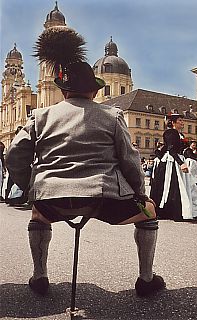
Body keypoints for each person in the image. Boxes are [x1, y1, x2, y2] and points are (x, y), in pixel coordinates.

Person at [5, 26, 165, 297]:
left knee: (38, 215)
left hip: (52, 199)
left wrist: (32, 187)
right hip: (103, 198)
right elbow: (130, 161)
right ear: (93, 91)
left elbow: (14, 155)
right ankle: (146, 279)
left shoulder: (40, 116)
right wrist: (140, 194)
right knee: (149, 212)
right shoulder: (112, 115)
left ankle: (39, 275)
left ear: (64, 91)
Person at [150, 113, 197, 221]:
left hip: (176, 160)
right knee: (173, 187)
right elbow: (171, 150)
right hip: (172, 162)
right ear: (173, 122)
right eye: (180, 120)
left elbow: (168, 148)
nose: (182, 122)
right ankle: (174, 211)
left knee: (183, 186)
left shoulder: (178, 134)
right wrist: (181, 163)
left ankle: (190, 209)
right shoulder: (170, 133)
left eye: (182, 120)